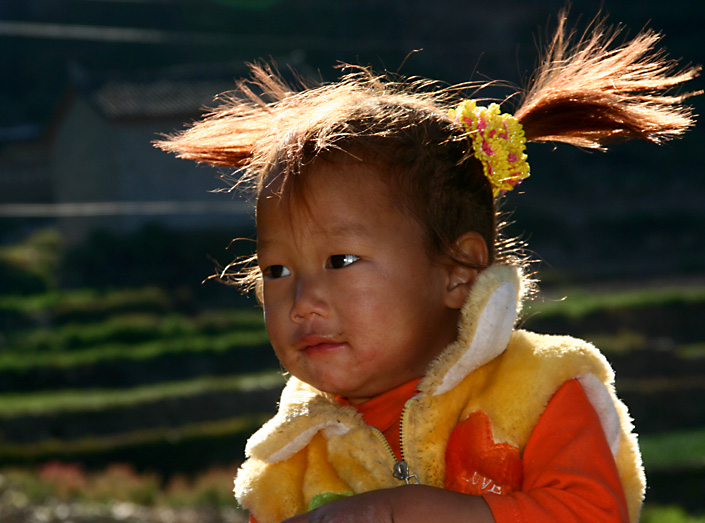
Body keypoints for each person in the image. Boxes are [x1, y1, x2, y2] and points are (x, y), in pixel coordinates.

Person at [156, 12, 700, 523]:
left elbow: (592, 512)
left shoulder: (541, 391)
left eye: (340, 261)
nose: (301, 303)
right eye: (276, 271)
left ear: (458, 272)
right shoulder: (289, 460)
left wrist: (407, 510)